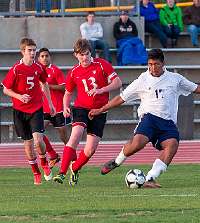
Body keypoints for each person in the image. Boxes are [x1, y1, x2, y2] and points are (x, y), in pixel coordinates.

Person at [89, 48, 200, 188]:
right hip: (149, 118)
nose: (153, 68)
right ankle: (117, 161)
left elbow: (197, 88)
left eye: (156, 64)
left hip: (167, 122)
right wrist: (100, 110)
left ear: (163, 64)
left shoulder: (175, 79)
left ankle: (151, 178)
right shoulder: (142, 79)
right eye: (150, 64)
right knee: (137, 144)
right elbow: (121, 98)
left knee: (172, 144)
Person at [52, 39, 121, 186]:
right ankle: (61, 173)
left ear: (91, 53)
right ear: (75, 55)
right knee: (75, 135)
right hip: (81, 108)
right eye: (81, 55)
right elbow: (68, 93)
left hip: (99, 111)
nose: (85, 58)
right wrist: (65, 106)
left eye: (87, 54)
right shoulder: (73, 72)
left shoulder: (102, 64)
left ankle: (75, 168)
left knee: (90, 150)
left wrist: (101, 89)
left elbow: (118, 83)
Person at [2, 38, 56, 185]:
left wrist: (50, 104)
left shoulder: (38, 67)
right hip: (19, 111)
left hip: (36, 108)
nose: (33, 53)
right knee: (28, 144)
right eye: (30, 50)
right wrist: (19, 96)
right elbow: (6, 89)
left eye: (34, 50)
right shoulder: (16, 69)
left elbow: (44, 83)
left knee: (38, 141)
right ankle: (35, 171)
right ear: (23, 52)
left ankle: (44, 162)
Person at [37, 48, 71, 168]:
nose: (44, 58)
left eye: (46, 56)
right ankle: (53, 155)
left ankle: (72, 156)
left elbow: (64, 87)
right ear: (38, 58)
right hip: (43, 108)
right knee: (37, 133)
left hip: (58, 108)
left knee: (63, 136)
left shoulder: (55, 70)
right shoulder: (36, 71)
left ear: (50, 57)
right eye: (42, 56)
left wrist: (47, 86)